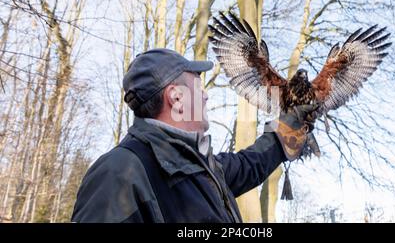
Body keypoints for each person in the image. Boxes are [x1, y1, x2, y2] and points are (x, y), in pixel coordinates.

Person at [71, 48, 316, 223]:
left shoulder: (202, 166)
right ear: (176, 98)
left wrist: (290, 126)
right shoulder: (120, 172)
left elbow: (248, 164)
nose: (206, 96)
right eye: (199, 86)